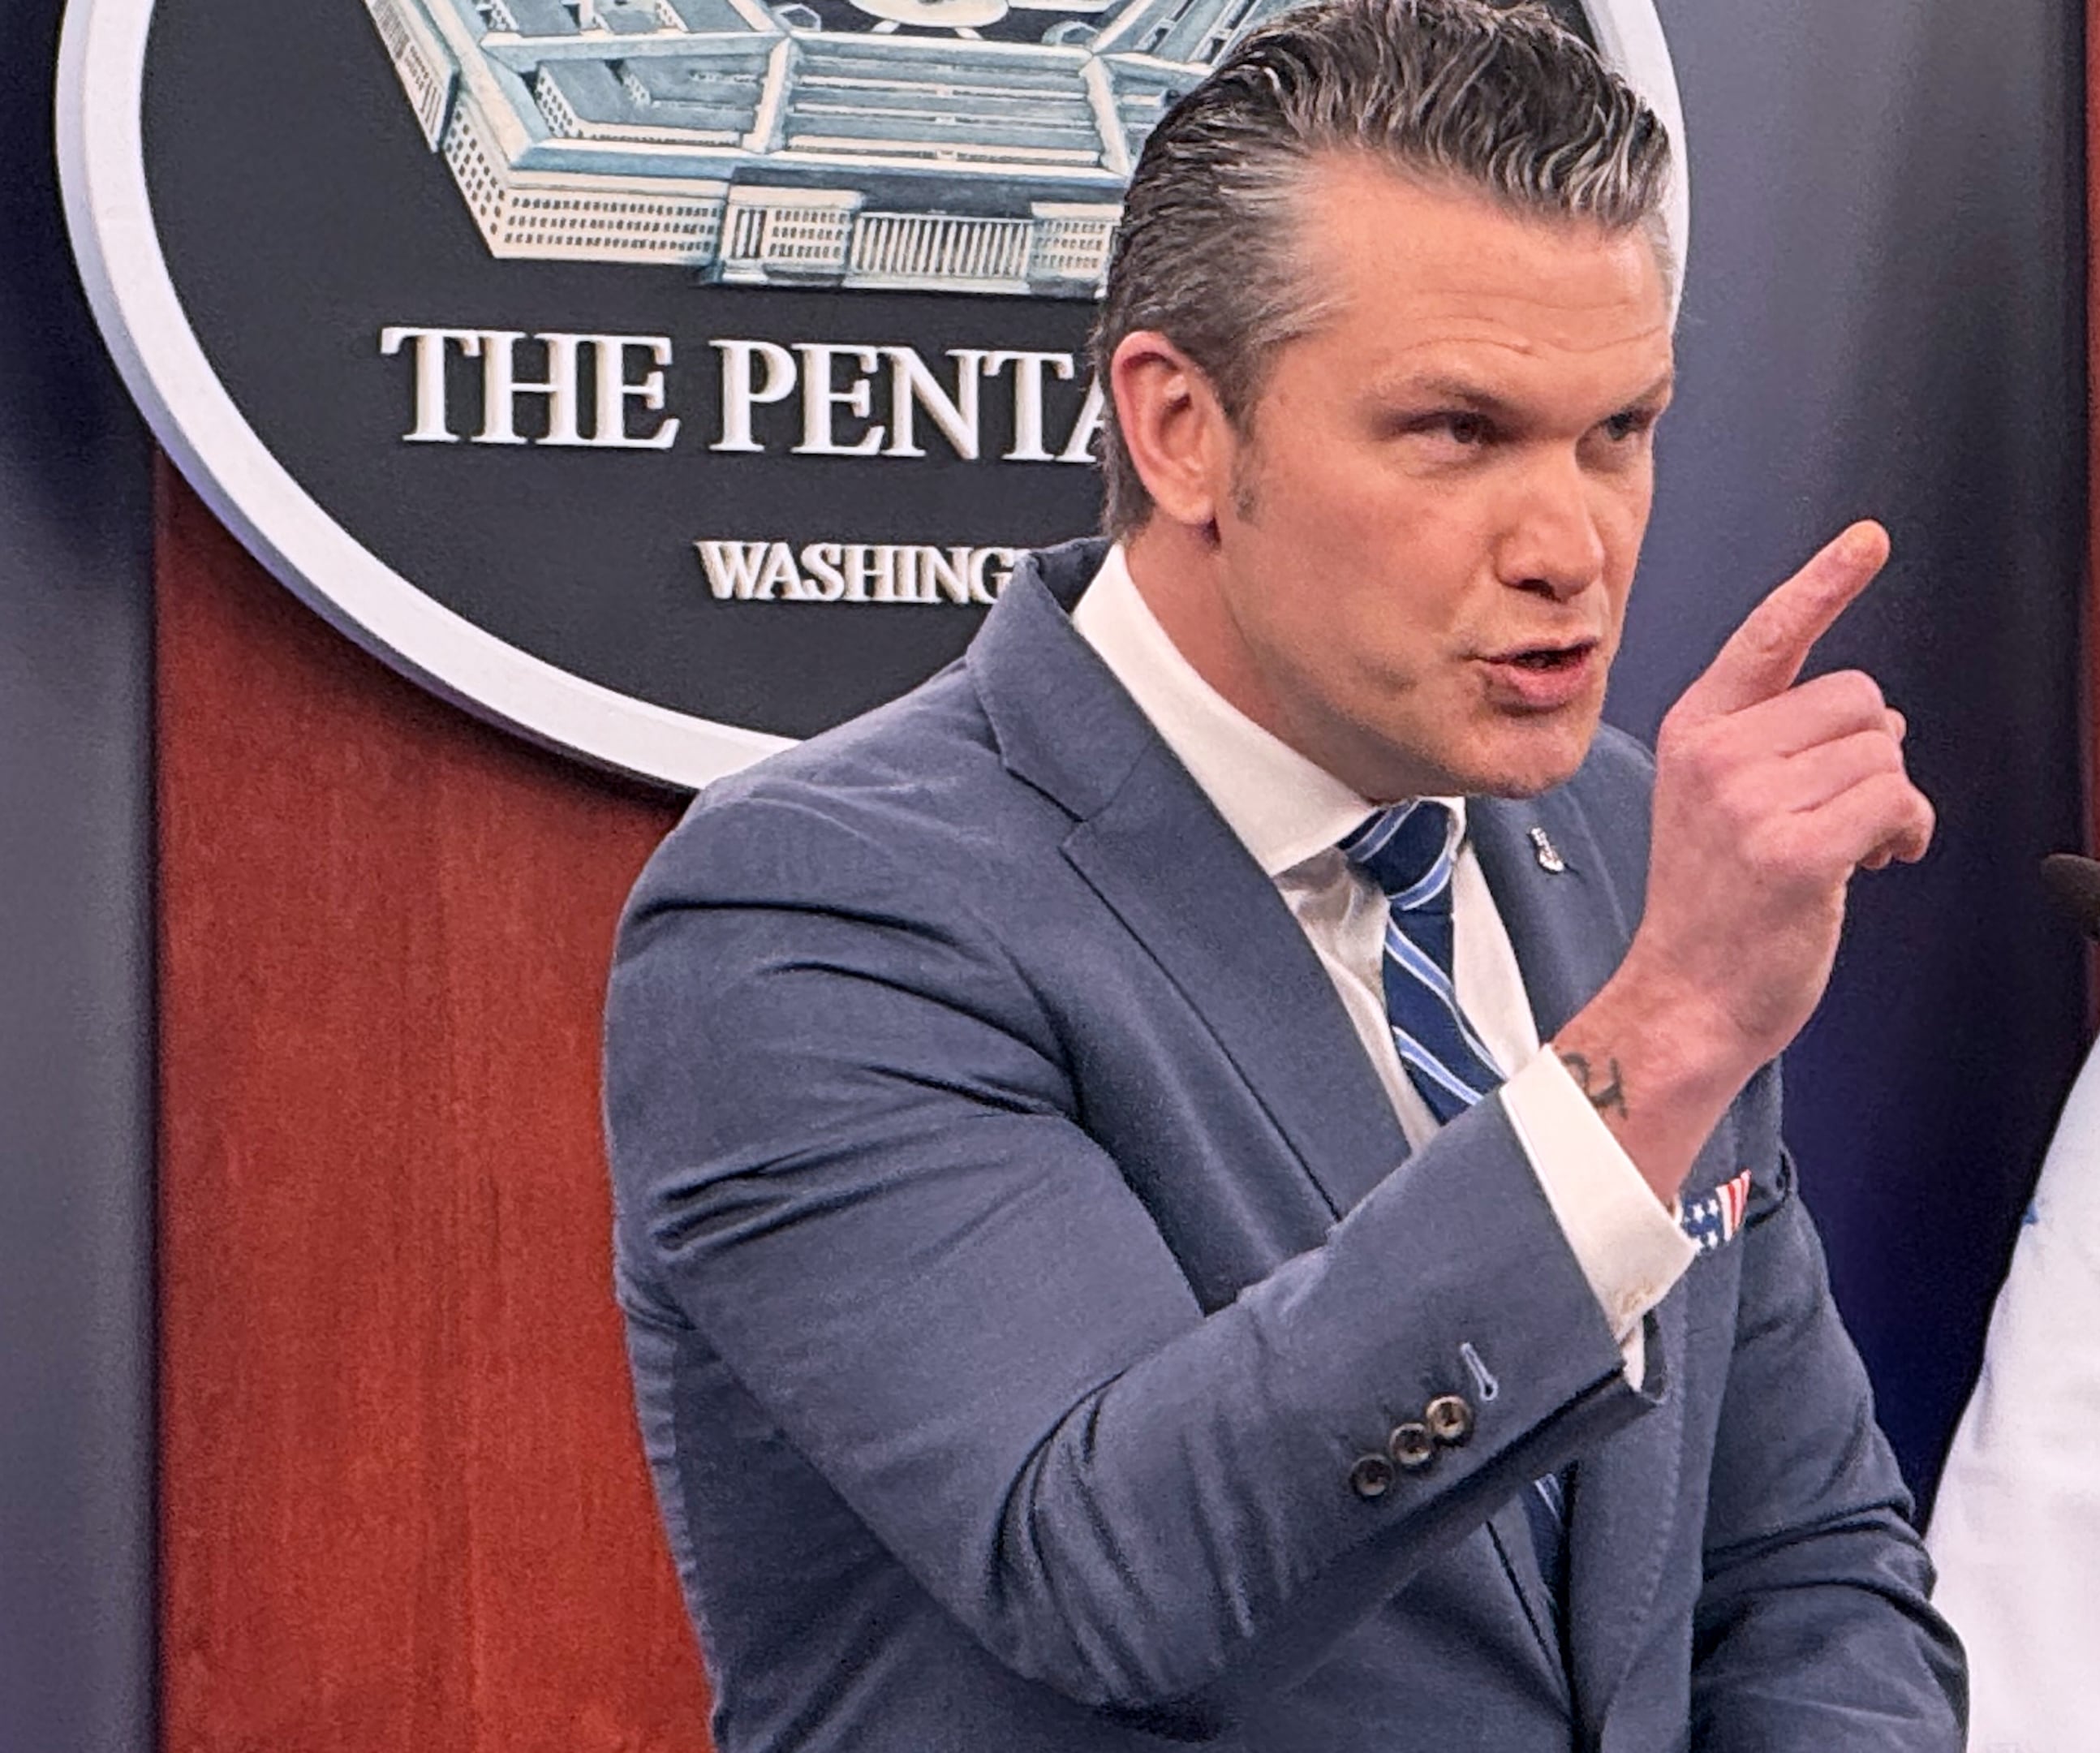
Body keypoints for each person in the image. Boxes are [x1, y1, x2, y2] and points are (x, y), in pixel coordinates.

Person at [602, 2, 1964, 1745]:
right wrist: (1668, 1039)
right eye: (1457, 432)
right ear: (1182, 430)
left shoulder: (1627, 850)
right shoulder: (822, 911)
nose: (1572, 549)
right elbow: (1115, 1572)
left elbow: (1809, 1567)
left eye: (1618, 430)